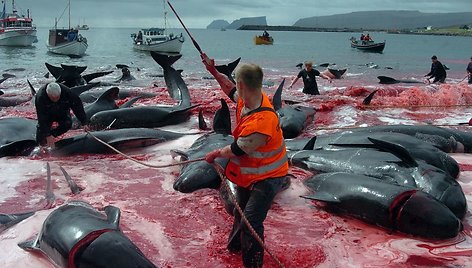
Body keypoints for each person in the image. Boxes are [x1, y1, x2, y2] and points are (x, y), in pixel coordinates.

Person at [201, 53, 289, 268]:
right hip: (249, 174)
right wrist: (213, 71)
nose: (235, 88)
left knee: (251, 221)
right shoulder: (249, 98)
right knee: (240, 212)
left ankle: (253, 264)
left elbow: (238, 149)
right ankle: (235, 249)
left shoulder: (263, 120)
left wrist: (214, 154)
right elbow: (228, 86)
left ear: (243, 84)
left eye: (237, 84)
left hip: (269, 177)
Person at [35, 82, 88, 148]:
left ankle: (52, 135)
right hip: (47, 114)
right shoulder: (40, 97)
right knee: (41, 134)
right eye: (53, 98)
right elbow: (41, 118)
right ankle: (40, 144)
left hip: (61, 111)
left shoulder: (67, 92)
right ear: (48, 94)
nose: (55, 100)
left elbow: (77, 106)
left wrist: (84, 122)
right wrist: (47, 134)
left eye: (57, 97)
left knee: (67, 124)